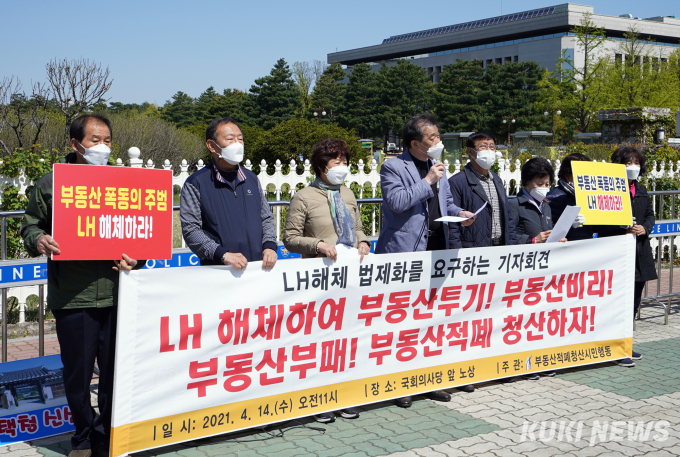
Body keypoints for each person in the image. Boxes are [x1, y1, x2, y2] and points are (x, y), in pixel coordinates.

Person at [21, 114, 144, 457]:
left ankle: (106, 438)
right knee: (77, 377)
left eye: (107, 141)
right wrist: (39, 238)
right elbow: (30, 227)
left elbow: (141, 236)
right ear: (75, 144)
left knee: (115, 376)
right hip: (74, 296)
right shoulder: (50, 184)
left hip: (119, 293)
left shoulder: (125, 184)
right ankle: (83, 437)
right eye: (95, 141)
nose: (103, 148)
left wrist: (137, 260)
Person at [376, 113, 476, 407]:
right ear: (415, 143)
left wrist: (460, 214)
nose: (438, 141)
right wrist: (428, 180)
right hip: (404, 253)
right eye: (432, 137)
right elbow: (396, 203)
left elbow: (444, 203)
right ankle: (399, 384)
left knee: (430, 319)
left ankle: (428, 380)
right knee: (402, 319)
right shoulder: (393, 166)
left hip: (436, 248)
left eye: (437, 135)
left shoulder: (437, 166)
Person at [283, 138, 370, 422]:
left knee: (345, 340)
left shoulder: (347, 194)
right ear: (321, 166)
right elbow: (290, 239)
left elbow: (357, 227)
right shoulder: (304, 197)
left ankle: (343, 396)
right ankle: (316, 400)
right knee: (318, 341)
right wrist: (318, 245)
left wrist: (364, 242)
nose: (342, 168)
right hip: (319, 280)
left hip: (349, 278)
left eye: (345, 162)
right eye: (336, 162)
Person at [180, 117, 278, 270]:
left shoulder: (251, 178)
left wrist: (270, 246)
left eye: (240, 139)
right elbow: (191, 230)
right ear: (212, 145)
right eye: (230, 139)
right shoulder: (196, 183)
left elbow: (266, 217)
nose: (237, 144)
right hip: (221, 271)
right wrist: (222, 254)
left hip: (258, 269)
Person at [508, 157, 567, 380]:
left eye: (546, 183)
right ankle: (523, 363)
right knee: (522, 319)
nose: (543, 188)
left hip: (545, 270)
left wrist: (558, 238)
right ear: (526, 182)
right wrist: (532, 240)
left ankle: (539, 360)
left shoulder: (546, 205)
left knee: (541, 318)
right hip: (523, 270)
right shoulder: (514, 204)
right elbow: (509, 236)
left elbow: (548, 233)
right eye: (538, 183)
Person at [599, 146, 656, 367]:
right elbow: (600, 222)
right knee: (617, 303)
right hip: (617, 252)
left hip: (639, 254)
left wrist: (645, 228)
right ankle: (614, 349)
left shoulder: (641, 190)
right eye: (627, 163)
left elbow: (650, 215)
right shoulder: (608, 191)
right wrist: (621, 227)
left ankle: (626, 345)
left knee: (633, 302)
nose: (632, 168)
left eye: (636, 163)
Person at [449, 132, 519, 250]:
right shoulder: (457, 182)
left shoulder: (497, 180)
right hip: (473, 249)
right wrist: (456, 251)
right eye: (483, 146)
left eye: (492, 146)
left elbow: (507, 217)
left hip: (501, 246)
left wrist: (513, 246)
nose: (489, 150)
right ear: (470, 152)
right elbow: (452, 222)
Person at [546, 153, 591, 240]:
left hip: (585, 246)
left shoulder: (585, 195)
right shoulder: (555, 196)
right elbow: (550, 229)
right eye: (580, 173)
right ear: (567, 175)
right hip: (567, 249)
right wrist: (569, 224)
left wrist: (619, 224)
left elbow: (595, 227)